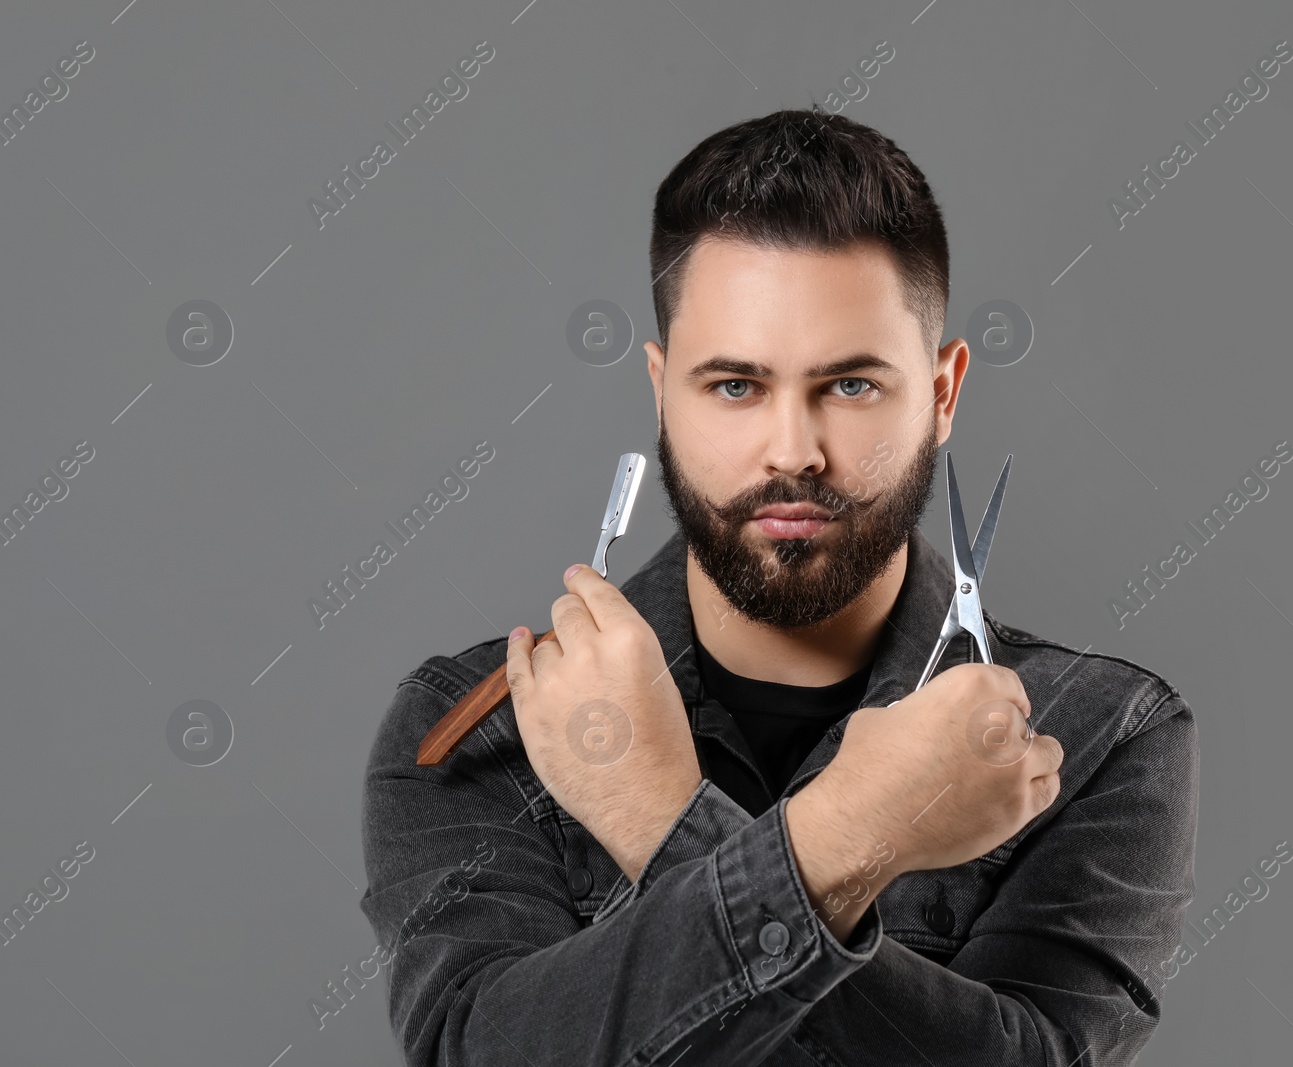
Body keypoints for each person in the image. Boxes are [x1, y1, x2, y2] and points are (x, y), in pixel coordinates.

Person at [358, 106, 1198, 1066]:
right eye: (734, 387)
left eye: (850, 386)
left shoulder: (1097, 732)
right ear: (660, 392)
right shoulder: (482, 737)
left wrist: (661, 818)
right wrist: (850, 836)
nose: (793, 451)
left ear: (942, 396)